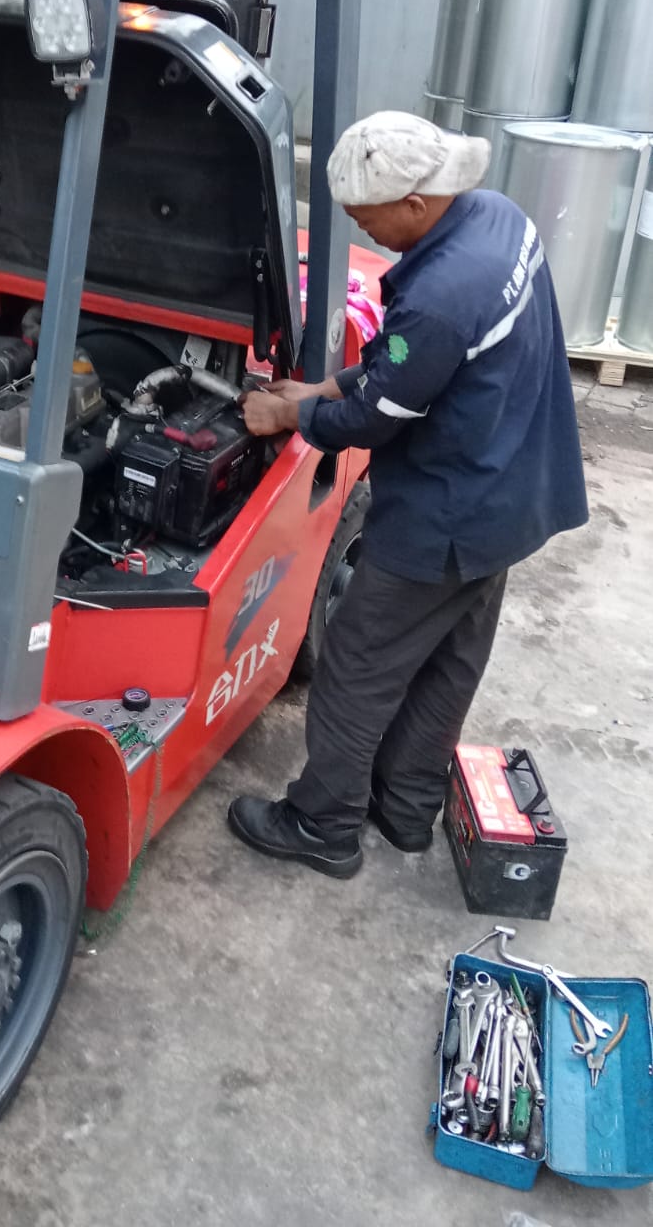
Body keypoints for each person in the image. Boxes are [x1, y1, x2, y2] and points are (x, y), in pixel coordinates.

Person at [227, 112, 588, 879]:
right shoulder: (499, 219)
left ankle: (322, 824)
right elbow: (413, 364)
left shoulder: (441, 293)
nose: (365, 230)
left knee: (356, 662)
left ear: (416, 203)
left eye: (368, 218)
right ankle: (405, 807)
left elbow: (375, 418)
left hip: (449, 512)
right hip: (518, 488)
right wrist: (321, 387)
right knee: (449, 657)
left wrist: (289, 415)